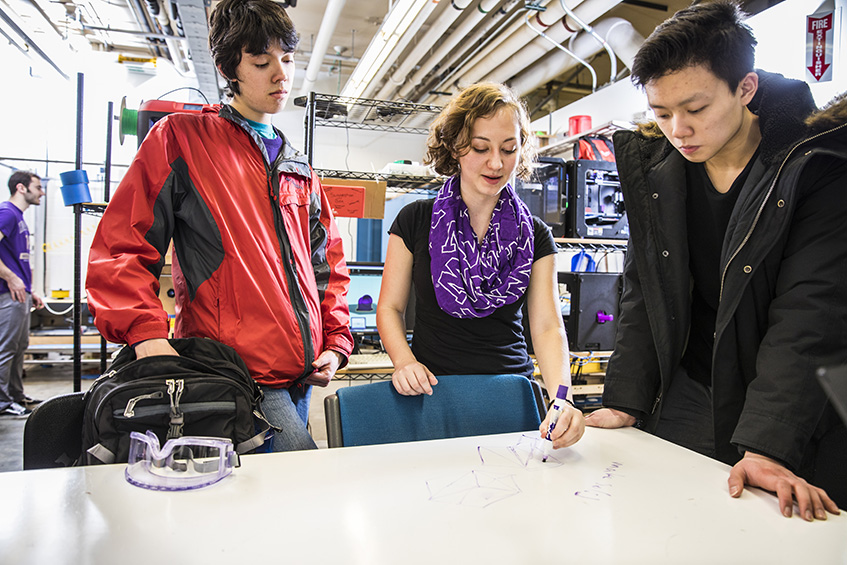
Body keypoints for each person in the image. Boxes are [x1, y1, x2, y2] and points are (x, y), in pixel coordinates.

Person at [585, 0, 847, 519]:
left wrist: (770, 442)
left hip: (783, 396)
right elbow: (644, 289)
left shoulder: (814, 165)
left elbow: (810, 313)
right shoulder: (655, 167)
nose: (678, 129)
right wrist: (624, 398)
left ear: (745, 89)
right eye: (662, 114)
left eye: (696, 109)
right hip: (690, 389)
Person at [86, 0, 353, 451]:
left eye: (287, 60)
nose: (280, 75)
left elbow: (324, 263)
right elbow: (122, 244)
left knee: (261, 506)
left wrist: (336, 340)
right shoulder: (182, 139)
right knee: (301, 484)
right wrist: (144, 332)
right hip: (233, 374)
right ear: (230, 67)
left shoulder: (297, 165)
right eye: (262, 61)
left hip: (302, 374)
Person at [377, 83, 585, 450]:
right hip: (433, 391)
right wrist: (403, 362)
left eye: (509, 149)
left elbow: (548, 326)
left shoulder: (534, 235)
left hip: (510, 398)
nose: (496, 163)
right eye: (480, 148)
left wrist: (562, 397)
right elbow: (390, 308)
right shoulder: (415, 221)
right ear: (456, 146)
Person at [0, 171, 45, 416]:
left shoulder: (17, 217)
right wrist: (11, 278)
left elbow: (15, 259)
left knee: (18, 348)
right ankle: (3, 402)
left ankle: (16, 396)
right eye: (38, 187)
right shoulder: (7, 213)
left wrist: (30, 290)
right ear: (21, 188)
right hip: (8, 295)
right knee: (6, 348)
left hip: (20, 295)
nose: (42, 192)